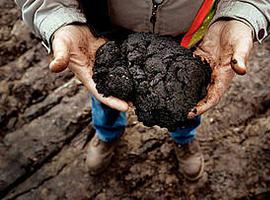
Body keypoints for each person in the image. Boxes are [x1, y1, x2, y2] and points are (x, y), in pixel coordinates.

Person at [15, 0, 270, 181]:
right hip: (107, 35)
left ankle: (184, 140)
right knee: (106, 97)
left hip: (191, 40)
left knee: (188, 103)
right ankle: (107, 134)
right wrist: (58, 18)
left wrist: (242, 13)